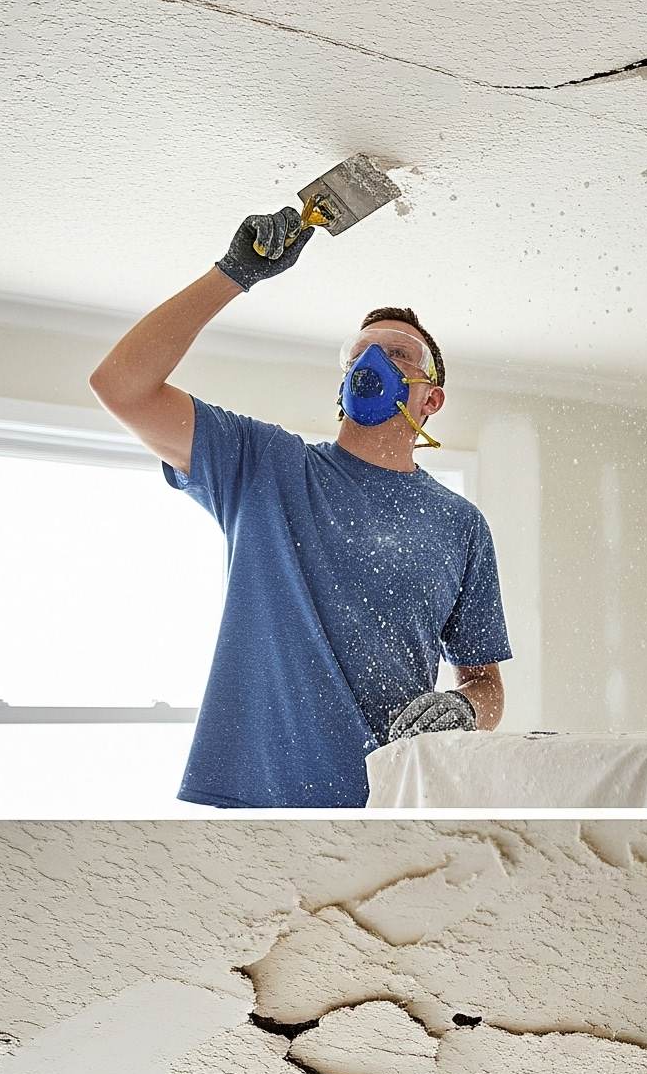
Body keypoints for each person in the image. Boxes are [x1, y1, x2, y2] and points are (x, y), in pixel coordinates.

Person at [89, 204, 510, 809]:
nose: (372, 363)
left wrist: (464, 708)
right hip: (255, 801)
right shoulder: (266, 466)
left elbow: (486, 684)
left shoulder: (459, 524)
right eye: (359, 354)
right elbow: (120, 387)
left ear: (431, 399)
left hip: (391, 801)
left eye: (398, 354)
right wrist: (233, 274)